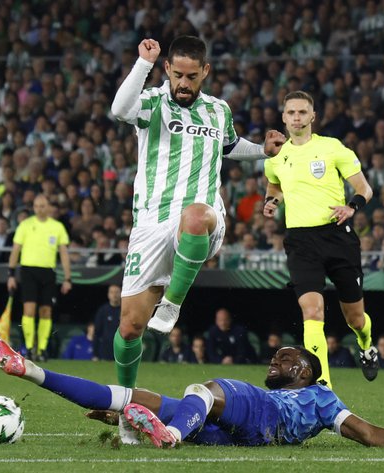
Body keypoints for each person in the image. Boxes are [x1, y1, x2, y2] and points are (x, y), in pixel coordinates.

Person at [109, 36, 284, 442]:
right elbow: (119, 110)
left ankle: (172, 305)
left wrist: (265, 151)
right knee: (131, 327)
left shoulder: (218, 109)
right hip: (151, 223)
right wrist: (142, 64)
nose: (183, 83)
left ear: (204, 71)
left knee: (195, 215)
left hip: (202, 218)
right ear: (167, 68)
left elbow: (229, 146)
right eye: (177, 74)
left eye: (191, 76)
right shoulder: (152, 102)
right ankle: (126, 408)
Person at [0, 338, 384, 450]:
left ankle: (169, 436)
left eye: (282, 359)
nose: (272, 362)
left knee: (204, 387)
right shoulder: (283, 392)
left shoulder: (320, 396)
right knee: (127, 397)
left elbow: (367, 433)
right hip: (238, 435)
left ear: (303, 368)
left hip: (265, 417)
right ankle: (29, 370)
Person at [263, 90, 378, 388]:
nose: (297, 117)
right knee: (312, 312)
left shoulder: (332, 148)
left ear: (313, 116)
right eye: (291, 112)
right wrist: (272, 202)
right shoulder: (276, 158)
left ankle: (366, 344)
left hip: (338, 236)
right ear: (284, 116)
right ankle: (322, 384)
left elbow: (365, 189)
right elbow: (275, 186)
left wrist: (351, 207)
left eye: (302, 112)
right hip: (301, 242)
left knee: (355, 318)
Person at [7, 194, 71, 362]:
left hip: (48, 272)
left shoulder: (57, 227)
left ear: (48, 207)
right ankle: (28, 348)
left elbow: (63, 253)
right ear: (33, 207)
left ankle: (42, 349)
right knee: (29, 310)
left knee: (46, 311)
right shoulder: (25, 225)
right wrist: (11, 274)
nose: (40, 209)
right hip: (28, 271)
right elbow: (16, 250)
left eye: (43, 206)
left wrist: (67, 278)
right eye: (37, 206)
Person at [92, 284, 122, 361]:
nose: (114, 295)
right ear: (108, 294)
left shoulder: (125, 310)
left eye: (116, 292)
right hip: (105, 351)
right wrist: (95, 354)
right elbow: (97, 332)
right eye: (112, 292)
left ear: (121, 293)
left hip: (122, 350)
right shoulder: (103, 310)